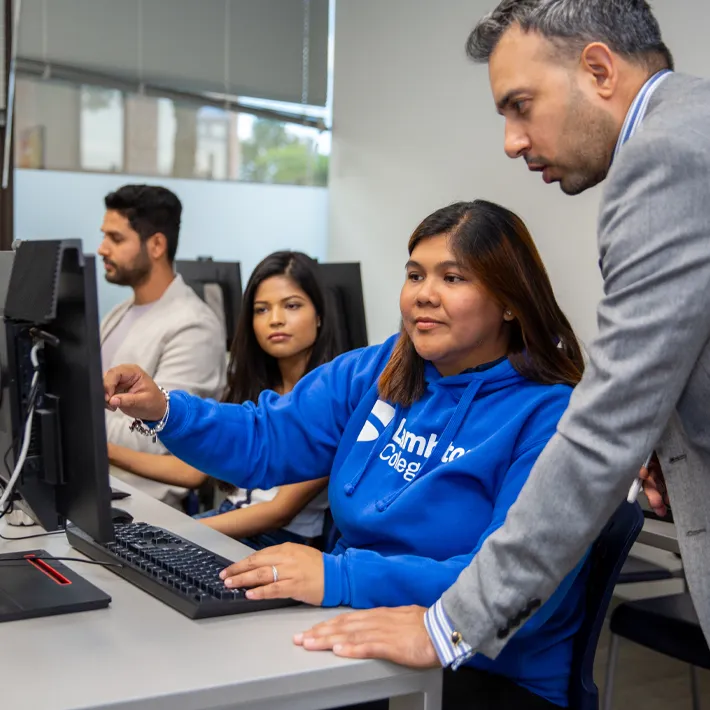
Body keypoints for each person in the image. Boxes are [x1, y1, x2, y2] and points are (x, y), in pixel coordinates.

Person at [290, 0, 710, 679]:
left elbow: (606, 425)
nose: (512, 141)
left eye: (521, 106)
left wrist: (451, 624)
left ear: (598, 69)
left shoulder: (665, 155)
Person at [106, 200, 591, 709]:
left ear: (511, 301)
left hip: (489, 670)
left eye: (453, 278)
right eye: (414, 274)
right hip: (367, 622)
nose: (424, 295)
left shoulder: (550, 415)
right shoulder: (384, 368)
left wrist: (340, 576)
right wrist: (165, 410)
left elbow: (516, 581)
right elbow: (266, 436)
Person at [107, 251, 337, 549]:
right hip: (230, 523)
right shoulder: (252, 386)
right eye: (261, 310)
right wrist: (105, 450)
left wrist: (177, 532)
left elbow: (279, 511)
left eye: (292, 306)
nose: (276, 320)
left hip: (281, 543)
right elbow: (191, 472)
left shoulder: (331, 398)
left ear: (319, 316)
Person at [99, 184, 226, 505]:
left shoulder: (193, 326)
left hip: (143, 507)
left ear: (156, 245)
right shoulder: (120, 312)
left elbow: (158, 436)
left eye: (115, 239)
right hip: (100, 487)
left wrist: (74, 419)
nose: (101, 249)